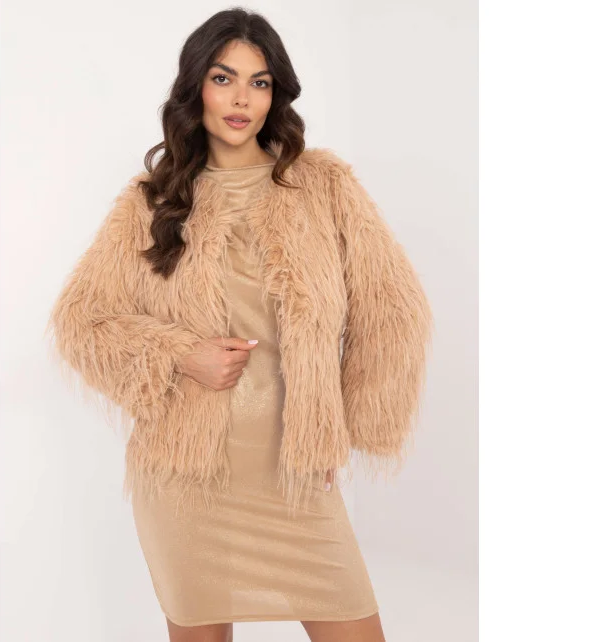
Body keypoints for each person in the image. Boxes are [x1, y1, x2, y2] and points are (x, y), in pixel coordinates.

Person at [46, 8, 433, 642]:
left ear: (276, 94)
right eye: (224, 79)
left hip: (292, 473)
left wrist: (335, 423)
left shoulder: (323, 186)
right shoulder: (152, 200)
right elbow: (81, 320)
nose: (241, 99)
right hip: (186, 477)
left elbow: (393, 308)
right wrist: (180, 353)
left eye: (259, 82)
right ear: (195, 85)